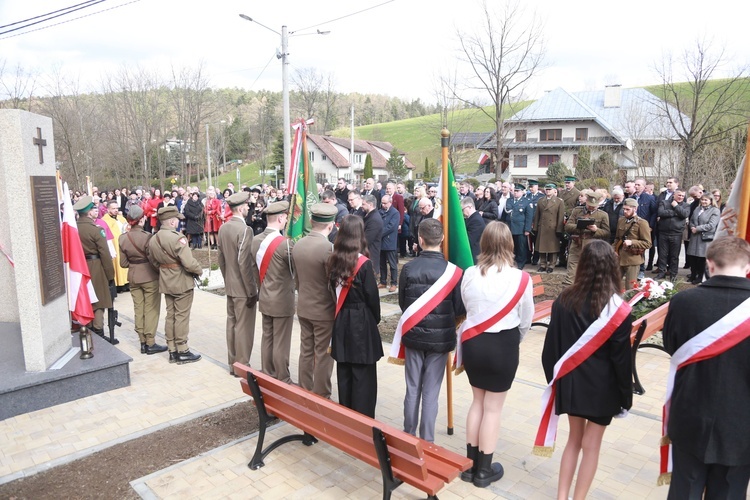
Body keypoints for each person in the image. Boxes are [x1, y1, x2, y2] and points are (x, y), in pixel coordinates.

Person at [539, 240, 633, 500]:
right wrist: (626, 397)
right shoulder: (619, 310)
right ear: (613, 267)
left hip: (571, 384)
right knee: (592, 447)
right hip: (604, 390)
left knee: (573, 441)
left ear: (582, 266)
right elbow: (622, 361)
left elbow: (550, 350)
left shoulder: (563, 300)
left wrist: (556, 381)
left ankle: (561, 497)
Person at [660, 236, 750, 498]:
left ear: (709, 265)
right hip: (741, 425)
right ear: (747, 268)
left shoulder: (684, 301)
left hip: (690, 414)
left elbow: (672, 348)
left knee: (684, 492)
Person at [458, 221, 534, 488]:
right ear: (510, 245)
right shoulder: (521, 278)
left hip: (474, 343)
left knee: (477, 402)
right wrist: (514, 342)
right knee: (493, 409)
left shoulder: (469, 273)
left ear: (484, 243)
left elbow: (468, 307)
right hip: (504, 344)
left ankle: (469, 467)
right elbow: (526, 319)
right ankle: (483, 472)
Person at [394, 218, 464, 442]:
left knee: (412, 387)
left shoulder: (409, 267)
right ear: (442, 239)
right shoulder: (455, 272)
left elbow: (404, 303)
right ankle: (427, 440)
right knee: (431, 391)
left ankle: (408, 435)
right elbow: (459, 308)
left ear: (420, 240)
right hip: (440, 338)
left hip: (414, 337)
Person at [327, 215, 382, 417]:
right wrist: (373, 320)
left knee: (345, 373)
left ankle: (347, 417)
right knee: (363, 377)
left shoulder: (334, 260)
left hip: (342, 320)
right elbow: (373, 299)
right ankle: (363, 420)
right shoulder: (364, 264)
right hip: (361, 321)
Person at [291, 203, 338, 397]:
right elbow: (334, 283)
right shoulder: (329, 248)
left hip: (303, 306)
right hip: (324, 311)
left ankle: (304, 388)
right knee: (324, 354)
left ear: (311, 221)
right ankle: (321, 394)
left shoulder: (298, 244)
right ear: (331, 226)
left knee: (306, 351)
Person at [148, 206, 202, 364]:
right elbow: (189, 262)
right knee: (181, 316)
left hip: (166, 279)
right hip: (181, 280)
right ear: (172, 221)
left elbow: (153, 261)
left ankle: (171, 349)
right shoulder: (177, 238)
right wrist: (199, 271)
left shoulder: (154, 239)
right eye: (177, 219)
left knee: (170, 315)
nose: (178, 221)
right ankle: (182, 349)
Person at [250, 201, 295, 384]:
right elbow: (294, 271)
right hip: (282, 299)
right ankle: (282, 377)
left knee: (267, 337)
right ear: (280, 218)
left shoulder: (255, 240)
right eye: (285, 218)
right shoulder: (285, 244)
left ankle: (267, 372)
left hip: (265, 295)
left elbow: (254, 269)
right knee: (281, 341)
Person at [217, 191, 258, 376]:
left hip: (231, 284)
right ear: (240, 208)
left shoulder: (224, 228)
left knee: (232, 324)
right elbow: (244, 262)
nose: (248, 208)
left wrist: (228, 280)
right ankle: (242, 365)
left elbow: (221, 259)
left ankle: (233, 363)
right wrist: (251, 290)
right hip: (242, 287)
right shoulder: (245, 230)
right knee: (244, 327)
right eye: (246, 206)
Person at [118, 205, 166, 355]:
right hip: (149, 276)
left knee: (138, 309)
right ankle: (150, 342)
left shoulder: (123, 238)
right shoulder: (147, 237)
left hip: (133, 276)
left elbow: (123, 263)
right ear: (141, 220)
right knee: (151, 309)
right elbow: (153, 260)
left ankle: (142, 342)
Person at [72, 196, 116, 337]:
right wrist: (110, 275)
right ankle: (98, 331)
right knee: (98, 301)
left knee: (85, 300)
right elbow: (105, 254)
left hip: (78, 268)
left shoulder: (73, 229)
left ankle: (87, 329)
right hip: (95, 266)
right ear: (89, 212)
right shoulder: (96, 230)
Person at [564, 190, 610, 285]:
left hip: (592, 247)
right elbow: (567, 226)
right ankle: (567, 297)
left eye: (594, 206)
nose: (591, 207)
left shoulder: (603, 215)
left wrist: (596, 230)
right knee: (570, 277)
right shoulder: (577, 211)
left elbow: (606, 232)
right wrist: (579, 226)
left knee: (590, 275)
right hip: (577, 245)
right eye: (589, 205)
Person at [614, 198, 651, 290]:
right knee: (613, 284)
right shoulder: (621, 220)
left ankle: (629, 304)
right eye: (624, 209)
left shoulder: (642, 223)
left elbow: (648, 243)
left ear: (635, 209)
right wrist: (614, 249)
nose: (625, 211)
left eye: (628, 209)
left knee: (630, 288)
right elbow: (617, 238)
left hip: (632, 259)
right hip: (619, 257)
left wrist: (632, 242)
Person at [685, 193, 720, 284]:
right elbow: (692, 220)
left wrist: (698, 229)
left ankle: (700, 277)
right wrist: (692, 227)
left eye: (706, 200)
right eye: (702, 200)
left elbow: (712, 225)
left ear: (711, 201)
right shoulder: (697, 209)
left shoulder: (715, 211)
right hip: (694, 236)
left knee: (701, 259)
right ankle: (693, 275)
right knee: (692, 257)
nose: (703, 201)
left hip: (705, 238)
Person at [656, 188, 689, 281]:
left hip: (676, 234)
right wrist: (675, 212)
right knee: (662, 254)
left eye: (683, 196)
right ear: (674, 195)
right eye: (679, 195)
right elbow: (660, 212)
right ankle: (661, 272)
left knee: (674, 256)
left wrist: (676, 206)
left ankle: (673, 274)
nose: (681, 197)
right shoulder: (664, 202)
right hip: (663, 232)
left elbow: (685, 214)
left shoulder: (686, 205)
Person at [532, 183, 565, 273]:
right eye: (546, 189)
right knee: (542, 247)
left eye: (550, 189)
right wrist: (535, 228)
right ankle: (542, 264)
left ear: (554, 190)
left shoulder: (559, 202)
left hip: (552, 228)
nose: (548, 191)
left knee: (552, 248)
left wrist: (559, 229)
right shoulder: (540, 201)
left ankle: (551, 265)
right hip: (542, 227)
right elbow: (537, 215)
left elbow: (560, 217)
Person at [102, 200, 129, 292]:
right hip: (114, 245)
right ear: (108, 209)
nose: (116, 210)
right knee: (117, 263)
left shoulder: (121, 218)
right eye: (113, 208)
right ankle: (119, 285)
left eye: (117, 208)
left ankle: (127, 282)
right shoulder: (104, 221)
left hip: (124, 244)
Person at [505, 184, 534, 269]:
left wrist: (527, 229)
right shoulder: (509, 200)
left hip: (521, 228)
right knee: (511, 246)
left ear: (522, 192)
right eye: (515, 191)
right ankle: (511, 261)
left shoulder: (527, 201)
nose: (516, 193)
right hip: (510, 227)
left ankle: (521, 262)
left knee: (521, 246)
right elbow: (507, 210)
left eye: (518, 191)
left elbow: (529, 217)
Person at [378, 194, 399, 292]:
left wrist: (379, 233)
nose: (383, 205)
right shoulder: (380, 212)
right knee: (382, 264)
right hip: (381, 243)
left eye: (385, 203)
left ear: (390, 203)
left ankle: (394, 283)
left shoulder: (395, 213)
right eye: (382, 203)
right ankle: (383, 281)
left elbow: (391, 227)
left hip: (390, 242)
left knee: (392, 264)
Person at [362, 194, 383, 280]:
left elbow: (367, 240)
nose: (361, 207)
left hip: (370, 256)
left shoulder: (374, 219)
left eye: (363, 204)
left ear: (370, 204)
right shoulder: (367, 215)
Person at [461, 197, 486, 264]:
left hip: (474, 256)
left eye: (463, 209)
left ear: (470, 207)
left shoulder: (476, 220)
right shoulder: (472, 218)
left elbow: (470, 240)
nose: (462, 212)